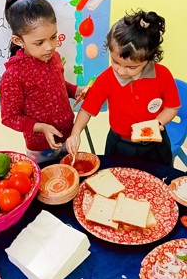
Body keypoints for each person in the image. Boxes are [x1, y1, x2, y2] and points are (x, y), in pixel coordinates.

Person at [66, 9, 181, 166]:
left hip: (154, 145)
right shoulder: (106, 78)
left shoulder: (162, 75)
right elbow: (87, 109)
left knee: (157, 181)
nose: (120, 71)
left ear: (149, 58)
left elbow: (172, 107)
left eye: (131, 67)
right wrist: (75, 132)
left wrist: (156, 123)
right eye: (115, 61)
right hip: (119, 144)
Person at [0, 0, 83, 163]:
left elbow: (58, 85)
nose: (49, 47)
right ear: (18, 41)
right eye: (39, 42)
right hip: (41, 148)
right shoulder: (13, 75)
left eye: (53, 37)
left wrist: (76, 91)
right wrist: (41, 128)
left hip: (68, 135)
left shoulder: (54, 58)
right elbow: (9, 117)